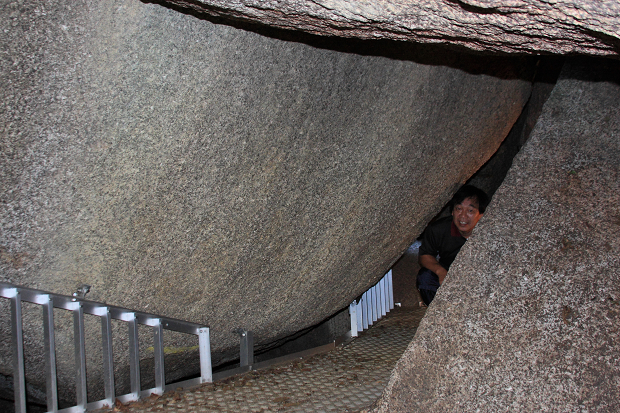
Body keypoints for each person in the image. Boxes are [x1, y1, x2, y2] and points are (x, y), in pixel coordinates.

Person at [416, 185, 489, 306]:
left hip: (480, 279)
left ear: (481, 214)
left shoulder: (491, 232)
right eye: (459, 209)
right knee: (425, 278)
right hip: (450, 276)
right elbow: (425, 255)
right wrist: (440, 271)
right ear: (452, 211)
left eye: (470, 211)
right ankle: (440, 313)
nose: (463, 216)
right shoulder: (439, 229)